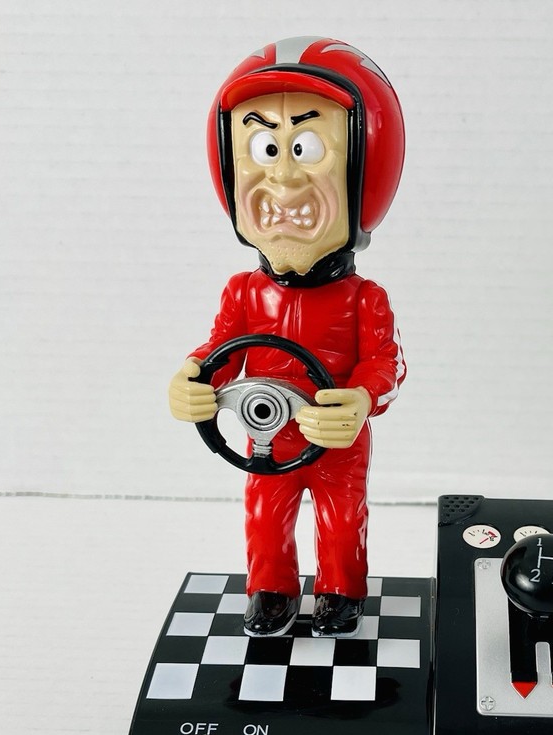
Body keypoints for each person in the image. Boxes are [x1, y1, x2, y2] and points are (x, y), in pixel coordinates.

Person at [168, 37, 406, 639]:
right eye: (265, 148)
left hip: (335, 438)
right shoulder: (244, 292)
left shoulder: (363, 298)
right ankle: (270, 589)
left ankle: (340, 591)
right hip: (268, 433)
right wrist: (195, 377)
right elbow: (221, 349)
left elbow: (386, 363)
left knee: (341, 515)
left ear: (365, 170)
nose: (282, 175)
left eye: (306, 147)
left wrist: (359, 398)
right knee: (263, 511)